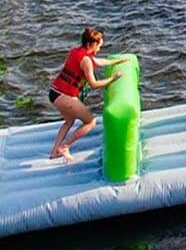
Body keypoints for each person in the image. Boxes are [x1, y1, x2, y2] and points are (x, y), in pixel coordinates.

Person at [47, 26, 127, 162]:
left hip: (54, 92)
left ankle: (54, 152)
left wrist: (119, 60)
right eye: (99, 46)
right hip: (64, 96)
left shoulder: (76, 52)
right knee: (90, 121)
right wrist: (113, 79)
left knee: (69, 121)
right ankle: (65, 146)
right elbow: (93, 84)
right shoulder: (86, 61)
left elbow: (101, 61)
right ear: (93, 44)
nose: (100, 49)